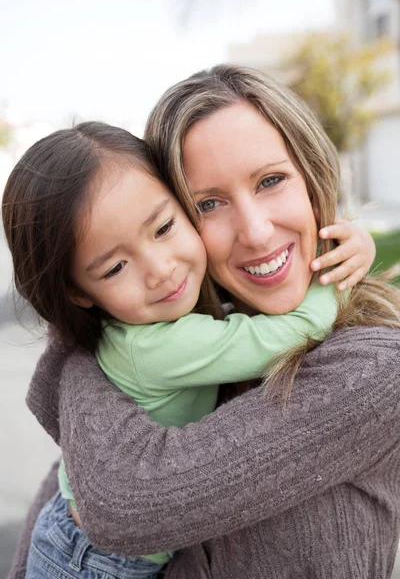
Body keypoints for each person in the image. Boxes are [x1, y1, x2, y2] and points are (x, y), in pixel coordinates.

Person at [7, 65, 400, 579]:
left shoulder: (375, 369)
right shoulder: (199, 327)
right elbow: (59, 488)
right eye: (208, 203)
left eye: (272, 180)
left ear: (312, 175)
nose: (257, 233)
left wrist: (81, 355)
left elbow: (124, 504)